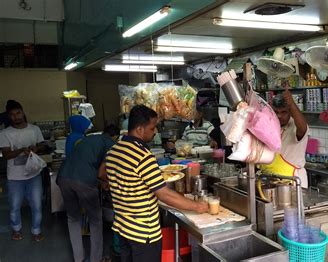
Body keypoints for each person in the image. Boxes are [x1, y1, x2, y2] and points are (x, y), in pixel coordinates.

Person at [104, 105, 208, 262]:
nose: (155, 132)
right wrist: (197, 206)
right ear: (139, 129)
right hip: (143, 233)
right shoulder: (143, 156)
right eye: (152, 128)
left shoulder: (114, 150)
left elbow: (103, 174)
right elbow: (164, 194)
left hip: (123, 229)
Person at [57, 124, 120, 262]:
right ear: (115, 136)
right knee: (95, 220)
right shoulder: (110, 143)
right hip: (84, 181)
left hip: (63, 177)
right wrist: (107, 183)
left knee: (73, 218)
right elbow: (102, 172)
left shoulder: (88, 139)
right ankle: (96, 259)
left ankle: (78, 258)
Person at [0, 100, 46, 242]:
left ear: (23, 112)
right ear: (9, 116)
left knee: (37, 205)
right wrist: (21, 150)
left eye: (18, 113)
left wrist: (36, 149)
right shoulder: (4, 133)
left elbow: (42, 145)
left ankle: (36, 231)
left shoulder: (34, 129)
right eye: (12, 115)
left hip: (34, 174)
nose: (16, 117)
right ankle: (16, 230)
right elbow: (6, 154)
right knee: (14, 206)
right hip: (15, 177)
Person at [271, 88, 310, 188]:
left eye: (284, 112)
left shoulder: (295, 126)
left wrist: (292, 104)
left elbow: (303, 128)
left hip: (293, 181)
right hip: (273, 179)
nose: (279, 116)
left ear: (290, 112)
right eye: (276, 112)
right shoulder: (271, 126)